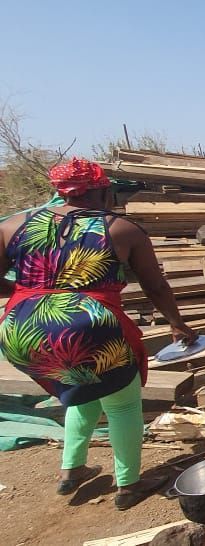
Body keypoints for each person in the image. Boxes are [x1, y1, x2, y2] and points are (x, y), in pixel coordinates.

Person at [0, 158, 195, 510]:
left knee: (79, 390)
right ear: (103, 191)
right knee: (121, 403)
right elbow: (155, 285)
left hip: (21, 329)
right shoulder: (121, 229)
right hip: (89, 326)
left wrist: (36, 297)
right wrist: (177, 323)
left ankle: (71, 470)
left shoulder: (14, 225)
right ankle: (129, 485)